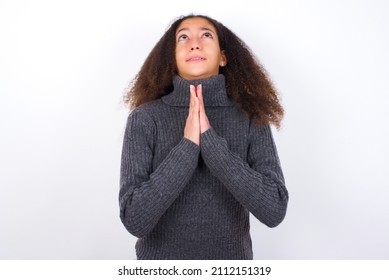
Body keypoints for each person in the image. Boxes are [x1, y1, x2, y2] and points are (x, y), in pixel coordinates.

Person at [119, 14, 289, 260]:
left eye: (206, 35)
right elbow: (134, 220)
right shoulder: (145, 119)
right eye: (183, 37)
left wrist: (210, 142)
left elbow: (274, 210)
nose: (195, 43)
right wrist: (187, 146)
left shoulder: (250, 117)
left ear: (222, 56)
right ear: (172, 58)